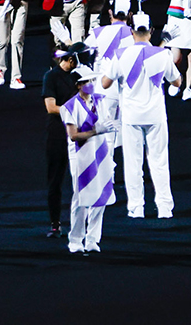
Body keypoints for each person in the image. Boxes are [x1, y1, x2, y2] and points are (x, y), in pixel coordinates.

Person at [100, 11, 180, 219]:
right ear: (151, 31)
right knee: (160, 162)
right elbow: (177, 82)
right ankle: (164, 208)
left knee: (133, 163)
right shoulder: (162, 54)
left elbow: (105, 83)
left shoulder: (121, 54)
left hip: (131, 117)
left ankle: (136, 208)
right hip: (155, 116)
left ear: (131, 31)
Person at [62, 64, 118, 253]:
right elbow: (73, 135)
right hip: (81, 155)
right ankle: (76, 239)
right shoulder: (69, 107)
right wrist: (96, 131)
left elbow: (109, 123)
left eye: (92, 80)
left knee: (101, 195)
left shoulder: (100, 101)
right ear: (78, 85)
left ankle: (93, 238)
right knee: (81, 197)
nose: (91, 84)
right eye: (86, 81)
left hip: (101, 152)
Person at [42, 43, 85, 238]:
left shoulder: (79, 77)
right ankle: (55, 224)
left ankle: (81, 224)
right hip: (58, 134)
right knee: (55, 180)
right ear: (69, 59)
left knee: (82, 179)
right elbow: (51, 107)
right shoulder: (50, 77)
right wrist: (74, 112)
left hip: (79, 133)